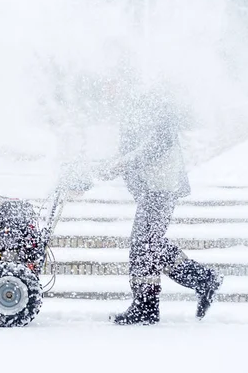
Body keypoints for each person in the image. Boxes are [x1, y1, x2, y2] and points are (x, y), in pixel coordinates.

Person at [89, 89, 223, 325]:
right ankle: (198, 282)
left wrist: (121, 164)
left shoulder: (153, 102)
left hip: (162, 186)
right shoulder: (133, 110)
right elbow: (128, 152)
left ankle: (149, 305)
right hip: (153, 189)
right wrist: (108, 167)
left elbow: (157, 144)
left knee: (145, 244)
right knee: (149, 244)